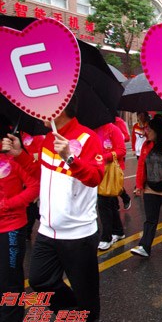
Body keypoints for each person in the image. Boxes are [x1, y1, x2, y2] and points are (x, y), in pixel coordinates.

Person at [2, 96, 104, 321]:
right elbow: (42, 174)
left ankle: (86, 313)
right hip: (47, 230)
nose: (40, 114)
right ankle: (76, 312)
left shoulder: (88, 138)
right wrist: (19, 155)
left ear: (61, 108)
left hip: (78, 234)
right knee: (39, 280)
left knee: (87, 294)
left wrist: (69, 157)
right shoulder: (49, 138)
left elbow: (95, 177)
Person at [0, 121, 40, 322]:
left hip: (12, 230)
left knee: (10, 281)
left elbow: (34, 187)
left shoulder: (13, 159)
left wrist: (7, 205)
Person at [131, 116, 162, 257]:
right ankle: (144, 246)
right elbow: (141, 167)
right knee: (150, 219)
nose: (146, 132)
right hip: (150, 187)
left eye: (149, 129)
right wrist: (139, 185)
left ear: (157, 131)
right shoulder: (146, 145)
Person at [95, 122, 127, 251]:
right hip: (97, 170)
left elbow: (122, 150)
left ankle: (106, 237)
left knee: (103, 204)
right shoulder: (92, 130)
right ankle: (118, 231)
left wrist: (105, 157)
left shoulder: (113, 129)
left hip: (110, 172)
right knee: (111, 203)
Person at [114, 114, 132, 210]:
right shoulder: (103, 123)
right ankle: (115, 205)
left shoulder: (119, 121)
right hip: (107, 156)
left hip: (118, 155)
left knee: (116, 181)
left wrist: (117, 137)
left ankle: (125, 198)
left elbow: (127, 137)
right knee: (108, 181)